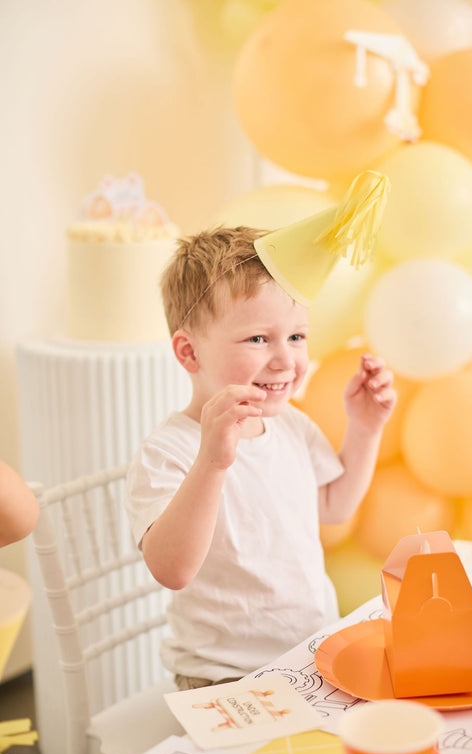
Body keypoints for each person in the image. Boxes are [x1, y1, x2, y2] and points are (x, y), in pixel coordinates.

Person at [125, 225, 396, 690]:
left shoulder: (291, 424)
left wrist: (366, 428)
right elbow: (172, 570)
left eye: (296, 336)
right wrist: (212, 462)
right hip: (222, 675)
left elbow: (335, 506)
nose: (285, 360)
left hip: (310, 655)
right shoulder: (168, 452)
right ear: (189, 353)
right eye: (257, 339)